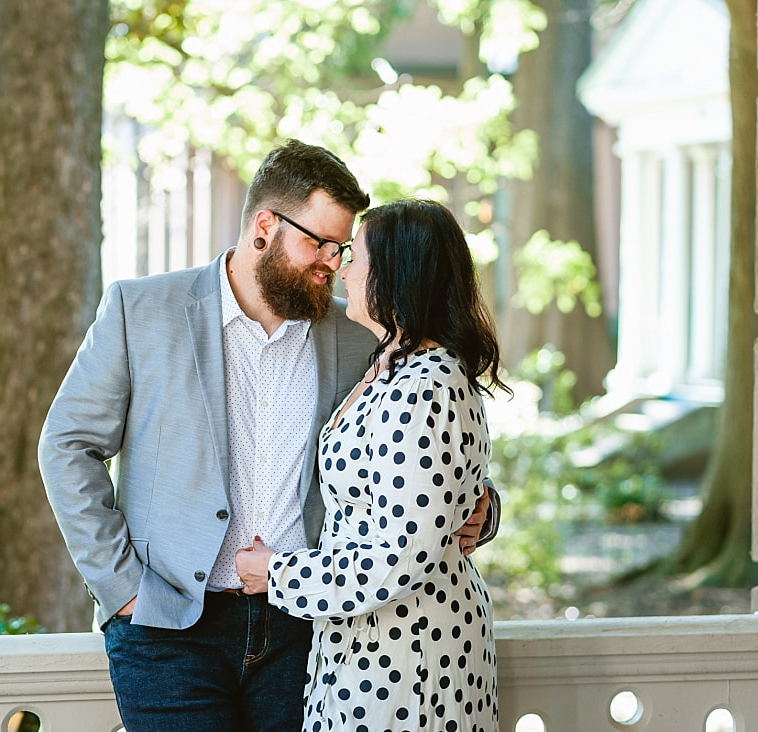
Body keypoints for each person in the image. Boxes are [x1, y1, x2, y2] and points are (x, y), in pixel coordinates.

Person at [39, 141, 497, 732]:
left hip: (305, 632)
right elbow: (67, 445)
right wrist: (123, 587)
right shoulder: (141, 309)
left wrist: (480, 511)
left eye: (342, 248)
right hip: (169, 630)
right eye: (319, 243)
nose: (332, 263)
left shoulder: (363, 332)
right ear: (264, 226)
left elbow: (427, 458)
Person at [236, 198, 505, 732]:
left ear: (396, 275)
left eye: (355, 256)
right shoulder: (390, 366)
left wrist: (277, 573)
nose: (340, 266)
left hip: (409, 657)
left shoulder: (427, 389)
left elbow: (397, 556)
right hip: (361, 643)